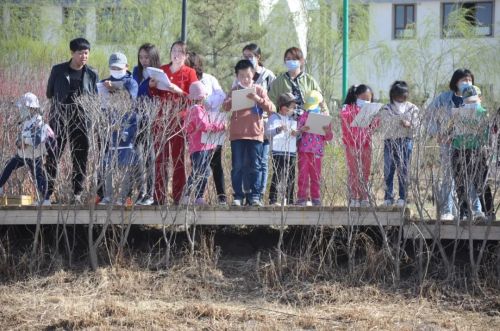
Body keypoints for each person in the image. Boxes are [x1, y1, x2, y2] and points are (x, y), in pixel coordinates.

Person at [45, 37, 98, 204]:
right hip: (59, 119)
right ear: (72, 53)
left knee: (80, 157)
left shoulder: (91, 73)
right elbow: (49, 93)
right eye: (80, 53)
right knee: (53, 155)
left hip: (81, 121)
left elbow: (94, 97)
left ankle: (77, 194)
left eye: (86, 53)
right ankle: (46, 193)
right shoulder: (58, 70)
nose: (84, 56)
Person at [149, 41, 198, 205]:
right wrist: (153, 86)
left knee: (177, 159)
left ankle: (178, 197)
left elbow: (194, 98)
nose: (176, 55)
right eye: (173, 51)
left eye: (180, 52)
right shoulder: (162, 70)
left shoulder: (190, 72)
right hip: (161, 119)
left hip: (179, 119)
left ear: (186, 56)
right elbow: (155, 94)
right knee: (160, 159)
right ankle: (159, 196)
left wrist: (178, 90)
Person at [222, 59, 275, 207]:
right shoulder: (234, 90)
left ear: (253, 75)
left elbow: (272, 108)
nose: (245, 79)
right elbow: (225, 107)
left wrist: (257, 99)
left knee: (256, 165)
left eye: (248, 75)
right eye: (242, 76)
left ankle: (255, 196)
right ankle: (238, 196)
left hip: (255, 134)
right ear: (237, 77)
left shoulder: (259, 89)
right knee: (237, 166)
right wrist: (232, 100)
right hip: (237, 135)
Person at [426, 69, 474, 221]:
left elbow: (479, 118)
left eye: (469, 80)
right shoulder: (444, 98)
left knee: (467, 177)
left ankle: (466, 211)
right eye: (463, 80)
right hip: (447, 143)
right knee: (449, 176)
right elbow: (429, 115)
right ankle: (447, 211)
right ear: (455, 82)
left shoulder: (473, 97)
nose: (466, 83)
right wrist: (437, 133)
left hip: (467, 143)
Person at [98, 53, 140, 205]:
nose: (115, 70)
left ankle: (124, 196)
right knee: (108, 163)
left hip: (127, 128)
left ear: (126, 67)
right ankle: (107, 196)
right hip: (109, 128)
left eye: (118, 67)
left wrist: (115, 90)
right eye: (112, 67)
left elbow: (131, 100)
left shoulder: (131, 83)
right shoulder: (104, 82)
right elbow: (99, 104)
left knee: (125, 164)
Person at [188, 52, 228, 205]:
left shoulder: (209, 79)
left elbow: (221, 96)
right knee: (197, 165)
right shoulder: (186, 80)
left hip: (212, 125)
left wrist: (206, 101)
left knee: (215, 163)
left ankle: (222, 197)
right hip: (195, 130)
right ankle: (197, 196)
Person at [0, 93, 53, 205]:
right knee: (9, 166)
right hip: (23, 154)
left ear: (31, 108)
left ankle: (46, 199)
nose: (21, 110)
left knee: (39, 177)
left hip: (34, 155)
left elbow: (37, 139)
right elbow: (19, 138)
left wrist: (24, 141)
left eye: (24, 107)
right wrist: (19, 142)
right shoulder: (25, 121)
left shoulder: (38, 121)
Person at [240, 44, 277, 205]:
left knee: (262, 160)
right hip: (246, 125)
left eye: (250, 56)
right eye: (245, 56)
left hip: (264, 123)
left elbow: (273, 100)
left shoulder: (268, 76)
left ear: (258, 57)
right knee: (247, 161)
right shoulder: (242, 74)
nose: (247, 59)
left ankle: (259, 194)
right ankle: (248, 194)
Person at [181, 82, 225, 205]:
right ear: (202, 96)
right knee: (200, 171)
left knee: (200, 171)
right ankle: (191, 195)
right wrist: (221, 126)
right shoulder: (197, 110)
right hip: (200, 147)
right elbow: (204, 125)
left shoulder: (192, 110)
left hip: (200, 147)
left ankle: (195, 196)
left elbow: (187, 127)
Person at [449, 85, 489, 221]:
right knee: (461, 184)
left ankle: (484, 213)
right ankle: (463, 213)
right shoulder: (456, 113)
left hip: (477, 151)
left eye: (474, 102)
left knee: (480, 183)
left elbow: (486, 137)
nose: (471, 105)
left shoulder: (484, 113)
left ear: (480, 99)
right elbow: (450, 133)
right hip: (459, 151)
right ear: (463, 101)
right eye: (468, 102)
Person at [379, 81, 420, 207]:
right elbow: (382, 125)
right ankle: (388, 197)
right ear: (393, 95)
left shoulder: (412, 108)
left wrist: (410, 125)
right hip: (390, 141)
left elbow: (418, 127)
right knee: (388, 170)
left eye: (403, 95)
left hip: (406, 140)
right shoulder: (386, 108)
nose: (400, 98)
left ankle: (403, 197)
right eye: (398, 96)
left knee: (404, 170)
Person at [132, 43, 161, 206]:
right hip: (136, 116)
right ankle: (140, 191)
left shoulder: (157, 73)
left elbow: (157, 94)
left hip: (151, 116)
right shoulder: (137, 71)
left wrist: (150, 88)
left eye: (147, 57)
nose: (143, 60)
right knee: (137, 155)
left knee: (149, 156)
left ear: (153, 57)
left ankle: (150, 193)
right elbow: (135, 90)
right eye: (141, 57)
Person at [340, 84, 378, 207]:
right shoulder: (348, 108)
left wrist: (375, 116)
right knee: (354, 171)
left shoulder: (371, 109)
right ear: (356, 96)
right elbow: (344, 117)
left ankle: (364, 197)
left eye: (369, 99)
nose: (366, 101)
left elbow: (375, 125)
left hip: (366, 144)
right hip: (351, 145)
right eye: (364, 98)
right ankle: (353, 197)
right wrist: (358, 111)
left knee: (366, 171)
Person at [296, 90, 333, 206]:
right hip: (304, 150)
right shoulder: (303, 116)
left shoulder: (324, 118)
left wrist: (327, 131)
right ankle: (302, 197)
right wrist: (302, 130)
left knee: (316, 175)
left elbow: (329, 137)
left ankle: (316, 198)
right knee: (303, 174)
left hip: (317, 151)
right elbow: (296, 132)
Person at [268, 47, 328, 115]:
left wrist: (325, 113)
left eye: (294, 59)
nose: (291, 61)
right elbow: (271, 102)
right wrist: (272, 116)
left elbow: (320, 99)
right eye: (288, 59)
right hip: (285, 121)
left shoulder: (309, 80)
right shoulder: (279, 81)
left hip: (306, 121)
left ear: (301, 61)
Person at [266, 93, 298, 206]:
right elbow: (267, 133)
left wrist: (297, 133)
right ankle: (273, 199)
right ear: (284, 108)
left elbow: (296, 135)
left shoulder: (293, 119)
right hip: (277, 151)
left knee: (291, 175)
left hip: (291, 151)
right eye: (293, 107)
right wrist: (279, 129)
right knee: (278, 173)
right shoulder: (274, 117)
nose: (295, 109)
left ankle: (289, 200)